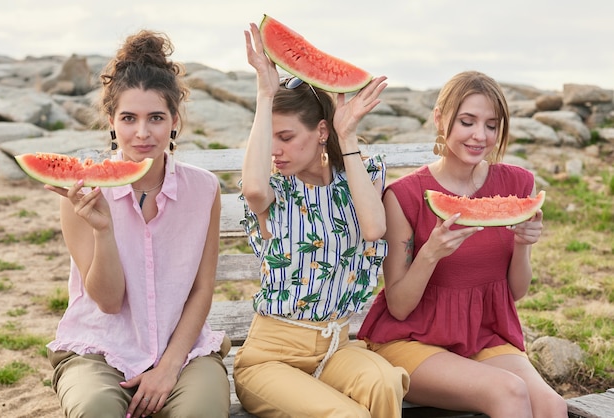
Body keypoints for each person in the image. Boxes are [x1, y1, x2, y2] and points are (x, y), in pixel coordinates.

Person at [357, 71, 568, 417]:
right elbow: (398, 306)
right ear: (440, 118)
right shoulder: (404, 196)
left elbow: (515, 292)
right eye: (467, 121)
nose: (479, 136)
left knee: (553, 406)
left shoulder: (517, 183)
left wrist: (522, 244)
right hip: (412, 340)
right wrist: (431, 254)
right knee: (509, 392)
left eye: (491, 125)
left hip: (484, 336)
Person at [44, 30, 230, 418]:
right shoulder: (82, 191)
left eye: (156, 118)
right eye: (129, 118)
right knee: (96, 409)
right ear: (112, 121)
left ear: (174, 121)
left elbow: (202, 288)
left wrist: (168, 367)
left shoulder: (204, 189)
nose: (142, 133)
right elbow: (108, 302)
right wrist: (103, 229)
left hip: (182, 351)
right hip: (98, 350)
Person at [232, 23, 409, 418]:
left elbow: (374, 229)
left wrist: (346, 136)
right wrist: (265, 91)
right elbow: (255, 189)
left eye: (287, 137)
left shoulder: (362, 174)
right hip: (269, 359)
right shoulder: (275, 191)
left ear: (320, 131)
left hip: (336, 347)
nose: (275, 150)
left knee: (385, 384)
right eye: (270, 138)